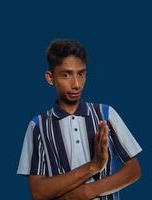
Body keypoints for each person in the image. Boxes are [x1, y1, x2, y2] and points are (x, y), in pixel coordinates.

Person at [17, 39, 142, 200]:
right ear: (50, 78)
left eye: (81, 74)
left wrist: (88, 191)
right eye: (66, 75)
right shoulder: (38, 126)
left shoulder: (106, 114)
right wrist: (93, 166)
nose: (76, 84)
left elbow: (134, 170)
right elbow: (38, 192)